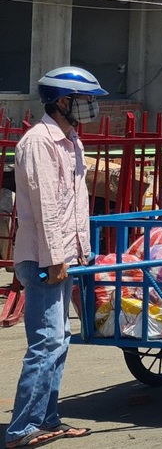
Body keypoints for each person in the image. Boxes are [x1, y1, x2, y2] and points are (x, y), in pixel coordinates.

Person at [5, 67, 104, 448]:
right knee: (45, 342)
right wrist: (55, 259)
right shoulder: (39, 143)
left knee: (60, 339)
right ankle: (22, 428)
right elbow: (46, 207)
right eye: (85, 100)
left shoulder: (72, 140)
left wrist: (81, 253)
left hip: (65, 255)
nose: (90, 108)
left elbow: (74, 205)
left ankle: (47, 418)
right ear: (62, 101)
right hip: (46, 258)